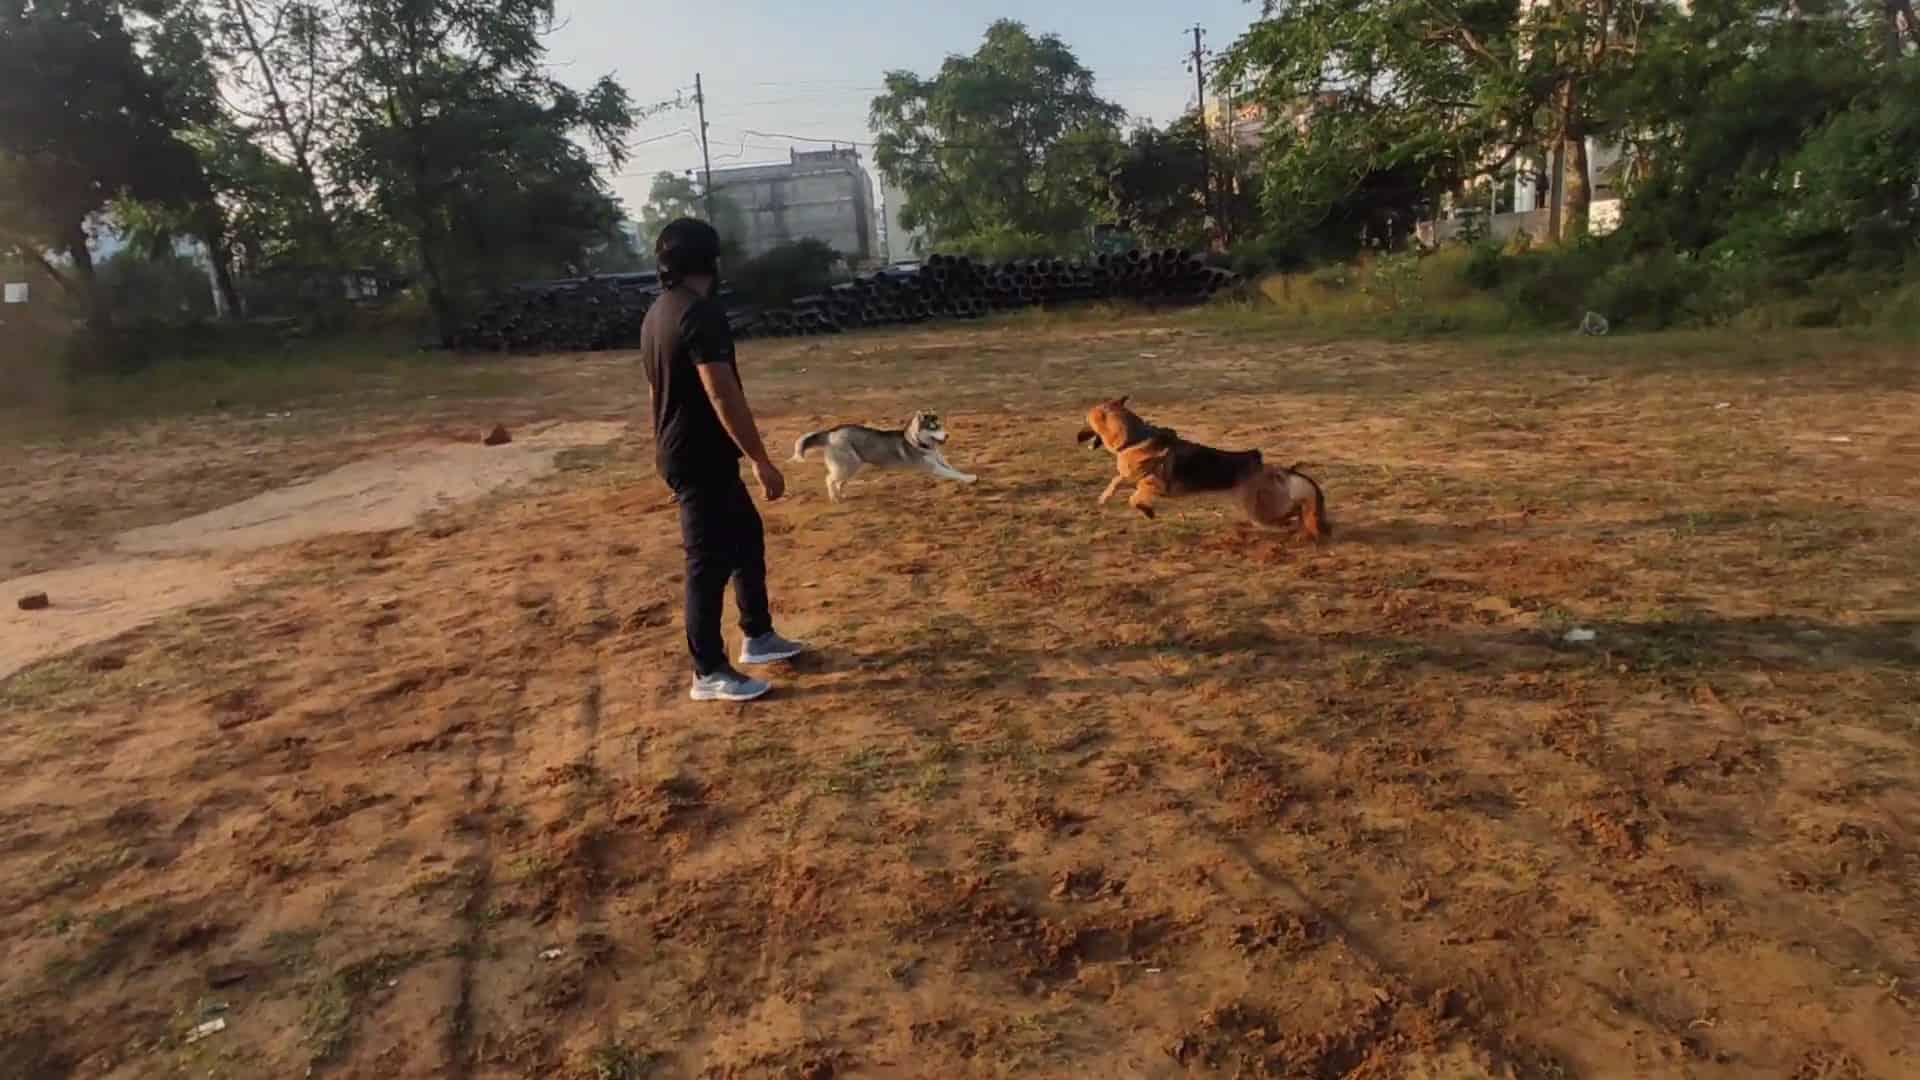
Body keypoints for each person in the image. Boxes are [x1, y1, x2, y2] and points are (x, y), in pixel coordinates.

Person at [641, 218, 806, 702]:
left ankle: (758, 635)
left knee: (745, 536)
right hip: (697, 455)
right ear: (711, 261)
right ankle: (708, 670)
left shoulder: (657, 314)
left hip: (688, 449)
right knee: (707, 562)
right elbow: (721, 391)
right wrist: (760, 458)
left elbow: (657, 390)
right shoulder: (700, 313)